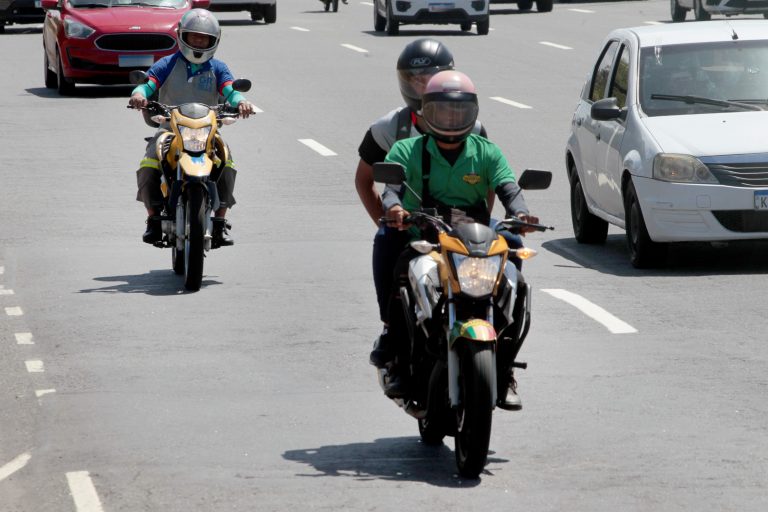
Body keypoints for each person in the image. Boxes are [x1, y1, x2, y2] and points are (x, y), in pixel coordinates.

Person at [379, 70, 539, 410]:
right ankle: (395, 352)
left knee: (516, 267)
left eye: (459, 111)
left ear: (473, 112)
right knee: (399, 266)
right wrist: (394, 208)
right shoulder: (407, 149)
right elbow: (391, 188)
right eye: (442, 111)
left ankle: (505, 368)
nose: (451, 119)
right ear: (425, 112)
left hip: (474, 239)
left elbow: (509, 188)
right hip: (426, 236)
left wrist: (522, 214)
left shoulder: (486, 152)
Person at [355, 39, 492, 371]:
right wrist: (389, 220)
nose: (424, 86)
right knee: (385, 242)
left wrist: (481, 226)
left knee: (506, 259)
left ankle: (499, 345)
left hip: (461, 226)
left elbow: (489, 180)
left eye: (431, 77)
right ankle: (390, 328)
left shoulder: (472, 126)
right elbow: (364, 179)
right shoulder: (390, 128)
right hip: (413, 224)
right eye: (416, 79)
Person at [128, 9, 255, 246]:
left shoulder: (218, 68)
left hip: (207, 130)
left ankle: (220, 222)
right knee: (149, 164)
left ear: (213, 41)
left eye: (204, 38)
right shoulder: (167, 63)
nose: (198, 42)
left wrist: (241, 102)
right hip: (169, 128)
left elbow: (230, 90)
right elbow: (148, 84)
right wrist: (138, 95)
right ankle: (153, 219)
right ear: (182, 36)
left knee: (227, 161)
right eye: (194, 36)